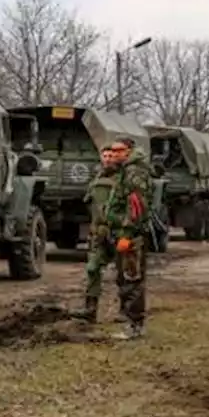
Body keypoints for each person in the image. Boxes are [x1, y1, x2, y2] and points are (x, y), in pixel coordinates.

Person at [70, 140, 153, 339]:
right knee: (122, 277)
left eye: (118, 151)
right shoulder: (124, 170)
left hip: (129, 236)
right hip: (112, 233)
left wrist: (126, 234)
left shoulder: (135, 172)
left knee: (131, 279)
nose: (114, 155)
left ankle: (134, 325)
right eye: (111, 152)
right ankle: (128, 322)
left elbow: (136, 207)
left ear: (129, 151)